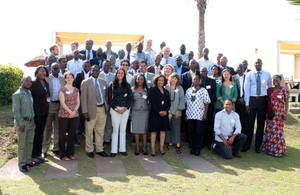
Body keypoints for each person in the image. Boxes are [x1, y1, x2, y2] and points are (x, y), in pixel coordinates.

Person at [243, 58, 272, 153]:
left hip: (262, 100)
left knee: (260, 124)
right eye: (256, 63)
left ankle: (258, 146)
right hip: (252, 100)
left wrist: (268, 103)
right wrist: (247, 104)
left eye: (259, 62)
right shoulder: (249, 74)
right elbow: (246, 89)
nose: (257, 64)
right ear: (254, 64)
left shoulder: (267, 74)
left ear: (262, 64)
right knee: (249, 124)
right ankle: (247, 145)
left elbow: (270, 89)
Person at [81, 65, 109, 158]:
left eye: (97, 70)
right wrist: (85, 112)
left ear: (99, 71)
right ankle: (89, 150)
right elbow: (83, 98)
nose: (96, 72)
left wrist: (106, 107)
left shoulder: (103, 82)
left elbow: (106, 96)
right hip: (90, 110)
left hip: (102, 109)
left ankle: (99, 149)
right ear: (91, 71)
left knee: (100, 131)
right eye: (94, 70)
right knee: (89, 131)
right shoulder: (86, 82)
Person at [12, 75, 36, 172]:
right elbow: (16, 111)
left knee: (30, 142)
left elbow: (31, 108)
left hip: (30, 122)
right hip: (22, 123)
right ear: (22, 81)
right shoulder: (17, 95)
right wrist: (21, 123)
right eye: (26, 81)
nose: (29, 83)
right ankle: (22, 164)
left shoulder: (29, 93)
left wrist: (33, 121)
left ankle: (28, 161)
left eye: (30, 81)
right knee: (22, 144)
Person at [108, 68, 133, 157]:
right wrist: (116, 109)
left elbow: (130, 98)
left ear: (124, 74)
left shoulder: (127, 85)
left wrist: (126, 108)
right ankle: (113, 150)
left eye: (122, 73)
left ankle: (122, 149)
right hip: (115, 110)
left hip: (125, 110)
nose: (120, 74)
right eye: (118, 73)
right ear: (116, 74)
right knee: (115, 129)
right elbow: (110, 99)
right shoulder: (112, 85)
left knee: (123, 130)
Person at [262, 75, 289, 157]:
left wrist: (286, 113)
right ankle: (268, 148)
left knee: (277, 132)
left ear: (280, 80)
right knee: (269, 130)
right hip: (270, 114)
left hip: (279, 115)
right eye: (274, 80)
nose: (275, 81)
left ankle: (278, 150)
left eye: (277, 80)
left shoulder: (284, 90)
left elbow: (287, 102)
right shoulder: (269, 90)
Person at [42, 63, 65, 158]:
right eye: (54, 68)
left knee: (58, 128)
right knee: (47, 128)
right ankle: (44, 149)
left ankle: (56, 148)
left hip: (60, 105)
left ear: (60, 69)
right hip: (49, 105)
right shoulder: (47, 79)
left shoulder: (62, 79)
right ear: (51, 69)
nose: (56, 70)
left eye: (57, 68)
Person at [185, 75, 211, 156]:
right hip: (190, 115)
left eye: (197, 79)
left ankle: (197, 148)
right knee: (191, 132)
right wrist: (186, 114)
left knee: (199, 132)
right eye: (194, 79)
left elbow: (207, 103)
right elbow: (186, 103)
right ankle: (192, 148)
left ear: (199, 80)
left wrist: (205, 114)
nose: (195, 80)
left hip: (199, 115)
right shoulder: (188, 90)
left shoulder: (203, 90)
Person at [30, 66, 50, 164]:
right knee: (36, 134)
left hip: (44, 112)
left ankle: (38, 154)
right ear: (37, 73)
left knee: (41, 133)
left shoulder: (46, 83)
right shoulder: (33, 84)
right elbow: (31, 99)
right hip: (36, 113)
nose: (42, 73)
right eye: (40, 71)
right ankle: (33, 156)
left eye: (44, 71)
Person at [58, 71, 80, 160]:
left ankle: (70, 153)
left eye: (71, 77)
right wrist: (70, 112)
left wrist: (74, 111)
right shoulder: (62, 89)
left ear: (73, 79)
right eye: (67, 77)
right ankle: (62, 155)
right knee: (62, 135)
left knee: (71, 135)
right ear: (65, 79)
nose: (69, 78)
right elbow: (62, 102)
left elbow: (78, 102)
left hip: (74, 115)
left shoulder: (76, 90)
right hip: (64, 114)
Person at [148, 75, 171, 157]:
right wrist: (159, 111)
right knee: (154, 131)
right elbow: (152, 102)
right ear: (156, 81)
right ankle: (153, 149)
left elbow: (168, 103)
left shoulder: (166, 91)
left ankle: (161, 147)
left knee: (163, 130)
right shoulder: (152, 90)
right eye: (159, 80)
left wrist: (165, 111)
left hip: (164, 114)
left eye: (162, 80)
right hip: (155, 113)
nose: (161, 82)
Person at [165, 73, 185, 154]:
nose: (174, 80)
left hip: (177, 111)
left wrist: (179, 110)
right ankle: (169, 143)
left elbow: (182, 99)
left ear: (177, 80)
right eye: (172, 78)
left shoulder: (180, 88)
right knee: (168, 128)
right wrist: (167, 110)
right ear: (170, 78)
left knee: (176, 128)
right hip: (168, 111)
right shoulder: (166, 87)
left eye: (175, 78)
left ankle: (177, 144)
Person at [131, 74, 150, 155]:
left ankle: (145, 146)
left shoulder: (147, 89)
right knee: (136, 129)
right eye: (138, 79)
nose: (140, 81)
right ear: (136, 80)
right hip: (135, 111)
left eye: (142, 79)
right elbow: (130, 102)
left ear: (144, 80)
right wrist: (130, 113)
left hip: (145, 111)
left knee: (145, 130)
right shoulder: (132, 89)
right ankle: (137, 146)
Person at [99, 60, 115, 145]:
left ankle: (107, 139)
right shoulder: (98, 75)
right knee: (101, 122)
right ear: (102, 66)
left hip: (110, 102)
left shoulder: (113, 76)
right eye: (105, 65)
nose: (107, 67)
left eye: (108, 65)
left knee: (109, 121)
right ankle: (100, 139)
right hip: (101, 102)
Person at [200, 67, 216, 150]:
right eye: (202, 71)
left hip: (209, 106)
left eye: (204, 71)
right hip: (199, 107)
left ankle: (209, 142)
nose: (203, 72)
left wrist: (209, 102)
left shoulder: (212, 81)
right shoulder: (198, 81)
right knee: (202, 126)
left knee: (209, 125)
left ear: (207, 72)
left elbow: (214, 93)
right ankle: (202, 142)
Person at [232, 64, 247, 134]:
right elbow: (232, 90)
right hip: (235, 102)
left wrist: (244, 98)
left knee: (244, 120)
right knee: (235, 120)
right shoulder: (232, 78)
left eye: (241, 67)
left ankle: (243, 136)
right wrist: (238, 99)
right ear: (236, 69)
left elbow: (249, 89)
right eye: (238, 67)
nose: (240, 68)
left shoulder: (247, 77)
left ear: (244, 69)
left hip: (245, 101)